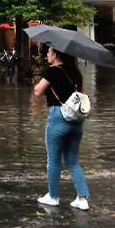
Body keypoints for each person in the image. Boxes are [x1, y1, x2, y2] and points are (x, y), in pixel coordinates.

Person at [33, 47, 89, 210]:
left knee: (53, 160)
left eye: (49, 52)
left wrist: (39, 82)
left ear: (55, 55)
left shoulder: (52, 71)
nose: (47, 55)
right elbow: (81, 95)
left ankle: (52, 196)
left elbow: (37, 91)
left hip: (58, 117)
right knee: (72, 161)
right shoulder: (76, 73)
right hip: (76, 121)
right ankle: (83, 199)